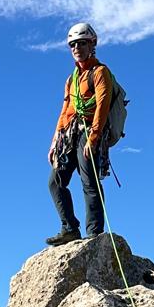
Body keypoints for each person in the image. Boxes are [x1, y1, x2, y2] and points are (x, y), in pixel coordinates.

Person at [45, 22, 111, 246]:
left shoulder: (100, 72)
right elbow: (65, 110)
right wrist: (55, 140)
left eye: (81, 43)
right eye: (72, 44)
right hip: (70, 132)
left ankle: (94, 233)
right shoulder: (71, 79)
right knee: (55, 181)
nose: (76, 48)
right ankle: (69, 228)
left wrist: (93, 138)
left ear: (92, 44)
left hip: (89, 130)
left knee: (89, 180)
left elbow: (102, 106)